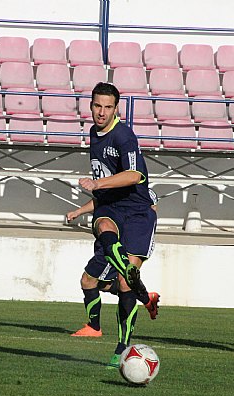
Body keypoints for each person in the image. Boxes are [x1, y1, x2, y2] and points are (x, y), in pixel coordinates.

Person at [66, 82, 160, 368]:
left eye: (108, 107)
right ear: (90, 105)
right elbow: (106, 184)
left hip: (137, 214)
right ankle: (140, 292)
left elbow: (134, 175)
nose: (101, 112)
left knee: (122, 283)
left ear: (116, 108)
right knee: (103, 227)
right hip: (111, 209)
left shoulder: (124, 136)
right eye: (97, 106)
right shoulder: (94, 133)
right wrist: (85, 207)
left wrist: (96, 184)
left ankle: (123, 346)